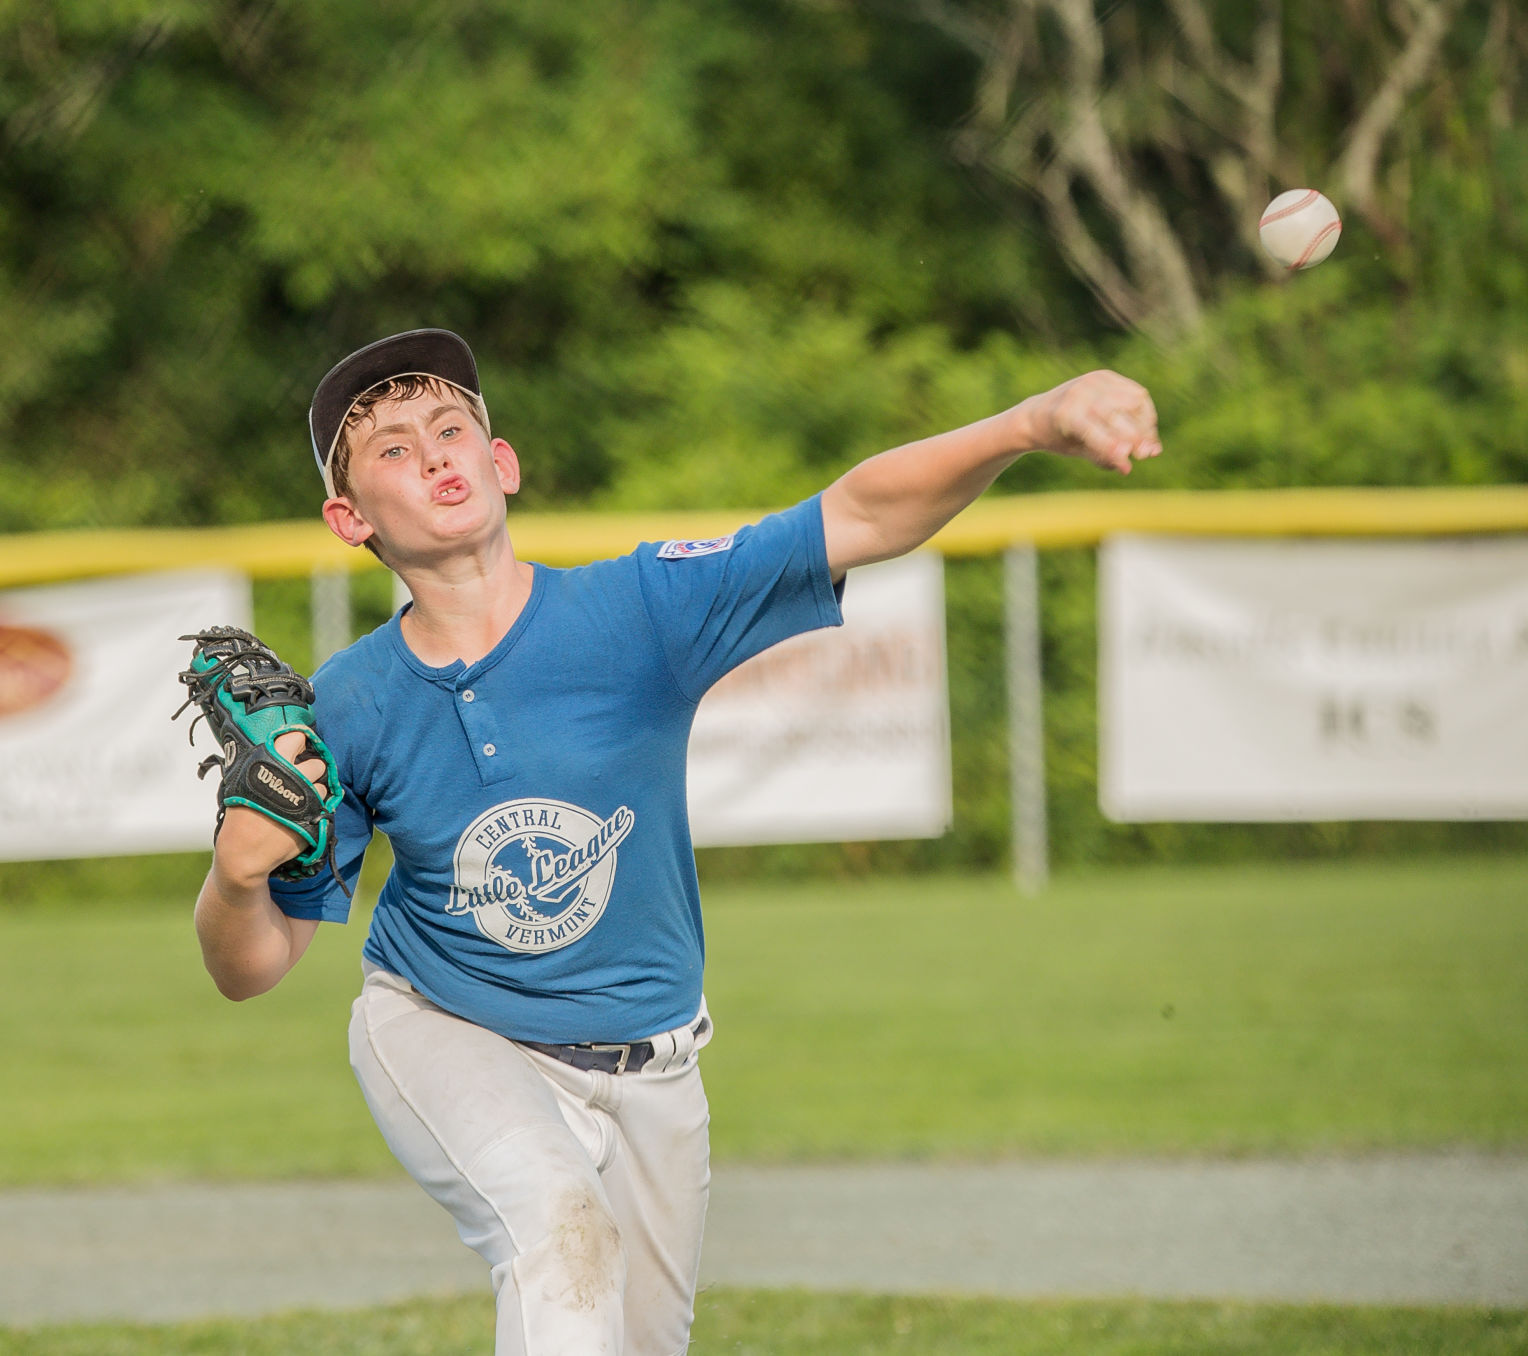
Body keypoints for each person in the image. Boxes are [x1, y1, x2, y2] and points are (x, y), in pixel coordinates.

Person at [192, 327, 1160, 1355]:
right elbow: (250, 970)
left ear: (500, 462)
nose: (432, 453)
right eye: (390, 447)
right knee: (560, 1238)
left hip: (656, 1062)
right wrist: (235, 877)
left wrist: (1033, 420)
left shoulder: (636, 610)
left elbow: (860, 514)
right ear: (348, 519)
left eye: (451, 428)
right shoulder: (348, 706)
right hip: (446, 1029)